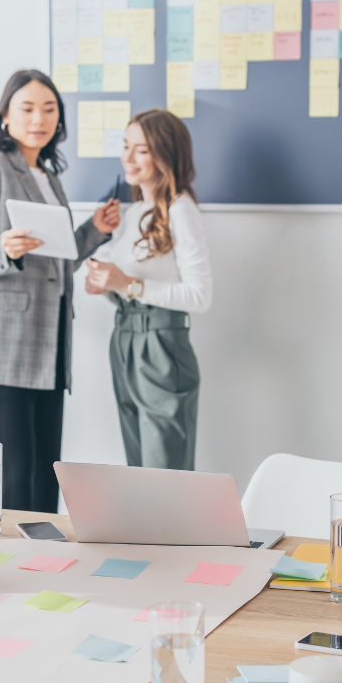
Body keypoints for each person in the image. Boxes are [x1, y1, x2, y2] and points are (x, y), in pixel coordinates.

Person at [0, 70, 120, 512]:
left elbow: (57, 258)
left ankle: (46, 560)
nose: (39, 118)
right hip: (5, 344)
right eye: (27, 108)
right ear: (5, 115)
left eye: (49, 109)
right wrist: (4, 249)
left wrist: (95, 230)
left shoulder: (46, 175)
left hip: (50, 339)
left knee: (47, 468)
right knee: (17, 471)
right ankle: (15, 564)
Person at [85, 109, 212, 470]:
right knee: (139, 470)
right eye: (126, 146)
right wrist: (106, 284)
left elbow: (200, 296)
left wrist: (127, 284)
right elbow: (124, 284)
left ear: (165, 153)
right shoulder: (135, 212)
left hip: (161, 344)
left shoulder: (181, 210)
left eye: (140, 149)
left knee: (163, 472)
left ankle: (174, 529)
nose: (127, 157)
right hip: (124, 338)